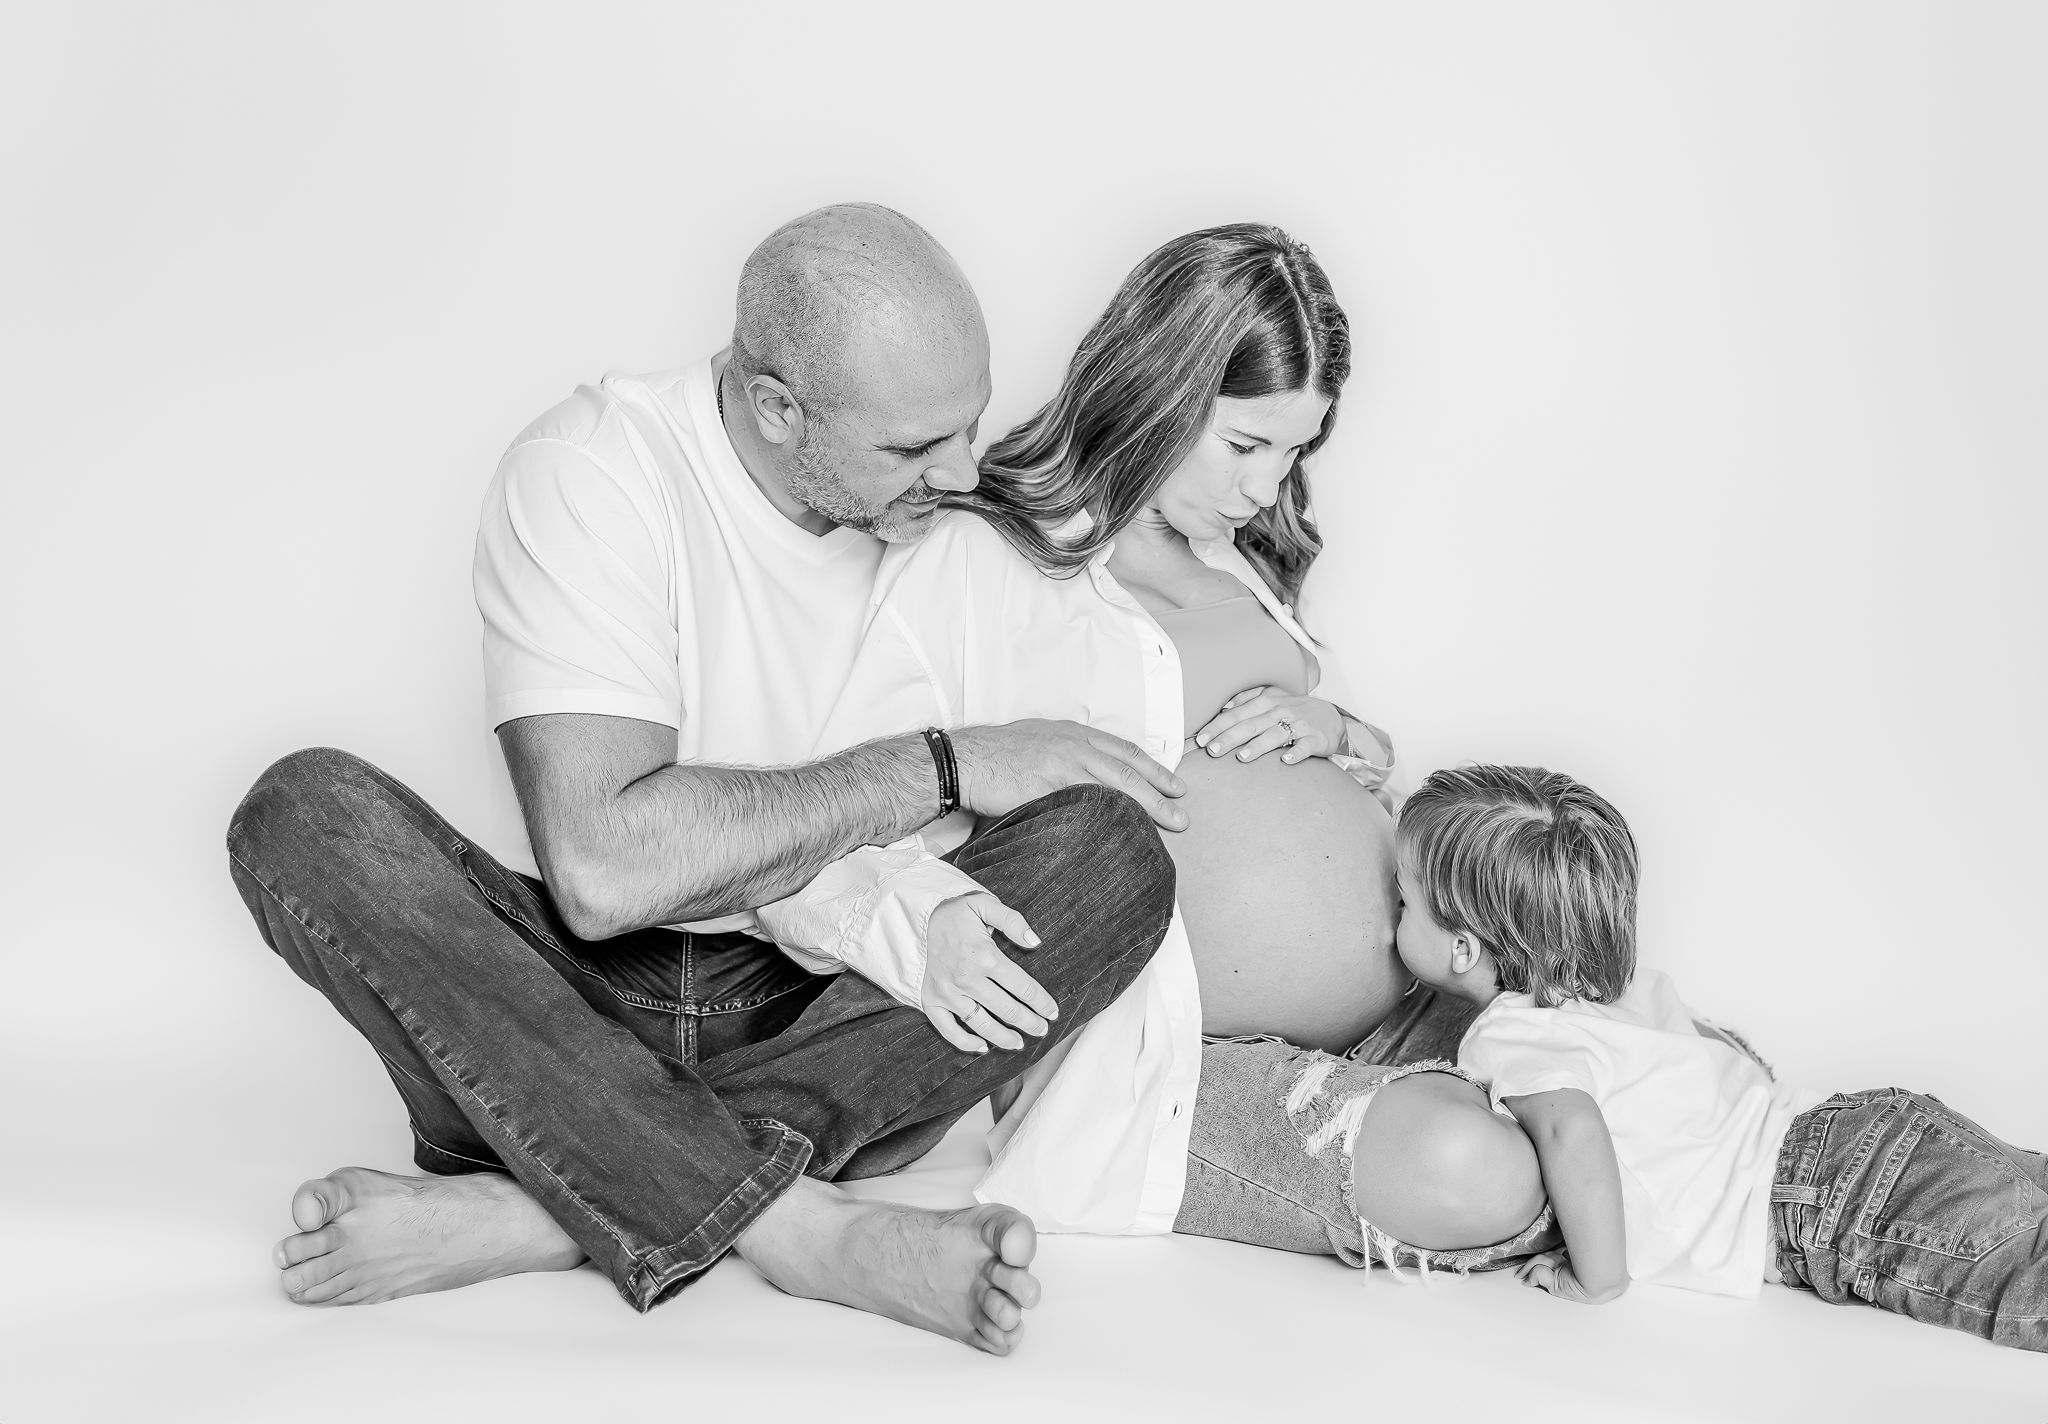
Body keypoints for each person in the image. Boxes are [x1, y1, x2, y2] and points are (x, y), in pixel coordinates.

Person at [224, 203, 1189, 1355]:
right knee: (305, 812)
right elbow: (602, 868)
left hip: (824, 1008)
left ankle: (542, 1206)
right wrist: (942, 763)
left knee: (1112, 855)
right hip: (561, 1005)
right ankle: (796, 1223)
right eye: (909, 448)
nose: (960, 471)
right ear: (776, 408)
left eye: (966, 426)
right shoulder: (594, 471)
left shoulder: (954, 525)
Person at [800, 224, 1519, 1245]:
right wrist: (929, 927)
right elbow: (843, 807)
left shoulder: (1244, 569)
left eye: (1294, 450)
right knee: (1481, 1171)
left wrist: (1345, 727)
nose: (1267, 487)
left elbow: (1347, 773)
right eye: (1244, 444)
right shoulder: (977, 562)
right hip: (1172, 1061)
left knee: (1652, 1089)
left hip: (1424, 980)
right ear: (1157, 387)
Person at [1385, 764, 2048, 1350]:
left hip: (1814, 1203)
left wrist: (1596, 1279)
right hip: (1854, 1128)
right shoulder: (1613, 989)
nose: (1392, 912)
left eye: (1403, 899)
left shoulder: (1507, 1035)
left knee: (2027, 1282)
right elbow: (1722, 1052)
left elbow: (1572, 1130)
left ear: (1464, 948)